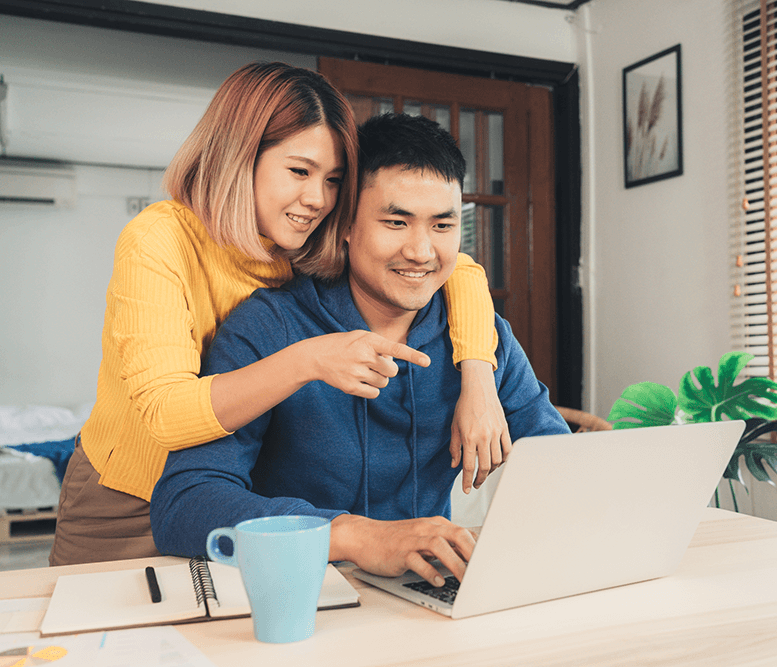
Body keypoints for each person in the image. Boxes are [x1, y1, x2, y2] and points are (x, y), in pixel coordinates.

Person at [51, 63, 509, 567]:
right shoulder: (159, 240)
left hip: (231, 492)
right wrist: (307, 360)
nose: (317, 199)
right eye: (299, 171)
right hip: (128, 496)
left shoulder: (298, 238)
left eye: (334, 180)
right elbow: (165, 416)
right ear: (239, 156)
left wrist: (478, 377)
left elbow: (454, 267)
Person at [150, 113, 569, 587]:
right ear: (345, 225)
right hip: (297, 590)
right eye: (396, 222)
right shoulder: (268, 326)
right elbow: (183, 504)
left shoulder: (479, 336)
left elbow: (561, 467)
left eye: (443, 225)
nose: (421, 251)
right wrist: (353, 537)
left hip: (424, 591)